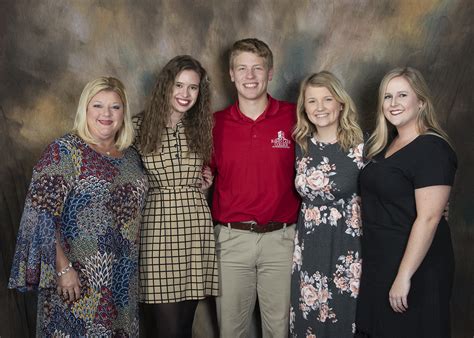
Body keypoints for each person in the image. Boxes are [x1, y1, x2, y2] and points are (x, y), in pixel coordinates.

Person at [8, 77, 148, 336]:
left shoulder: (131, 156)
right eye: (98, 106)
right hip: (76, 278)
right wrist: (62, 268)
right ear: (85, 109)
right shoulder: (64, 152)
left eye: (115, 107)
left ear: (123, 113)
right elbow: (41, 215)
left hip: (121, 278)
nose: (106, 114)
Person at [355, 67, 457, 338]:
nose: (394, 104)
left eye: (402, 95)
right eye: (388, 97)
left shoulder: (432, 148)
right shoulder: (384, 144)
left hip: (416, 265)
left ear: (421, 102)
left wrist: (404, 276)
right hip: (381, 259)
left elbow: (429, 218)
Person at [211, 38, 300, 338]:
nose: (250, 76)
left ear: (270, 72)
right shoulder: (215, 124)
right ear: (231, 74)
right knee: (231, 331)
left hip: (282, 240)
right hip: (232, 240)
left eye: (257, 68)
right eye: (242, 68)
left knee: (279, 330)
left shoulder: (294, 116)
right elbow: (199, 173)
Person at [133, 55, 218, 338]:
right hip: (157, 229)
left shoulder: (201, 127)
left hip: (195, 228)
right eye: (179, 85)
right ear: (165, 87)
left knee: (183, 327)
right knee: (166, 330)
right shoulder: (137, 128)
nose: (185, 94)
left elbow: (205, 170)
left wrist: (207, 183)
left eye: (192, 88)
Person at [289, 71, 364, 337]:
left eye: (327, 99)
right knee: (308, 317)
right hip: (308, 248)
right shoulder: (300, 144)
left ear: (341, 103)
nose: (319, 108)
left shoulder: (361, 147)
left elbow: (388, 191)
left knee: (342, 316)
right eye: (312, 101)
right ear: (304, 107)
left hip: (346, 248)